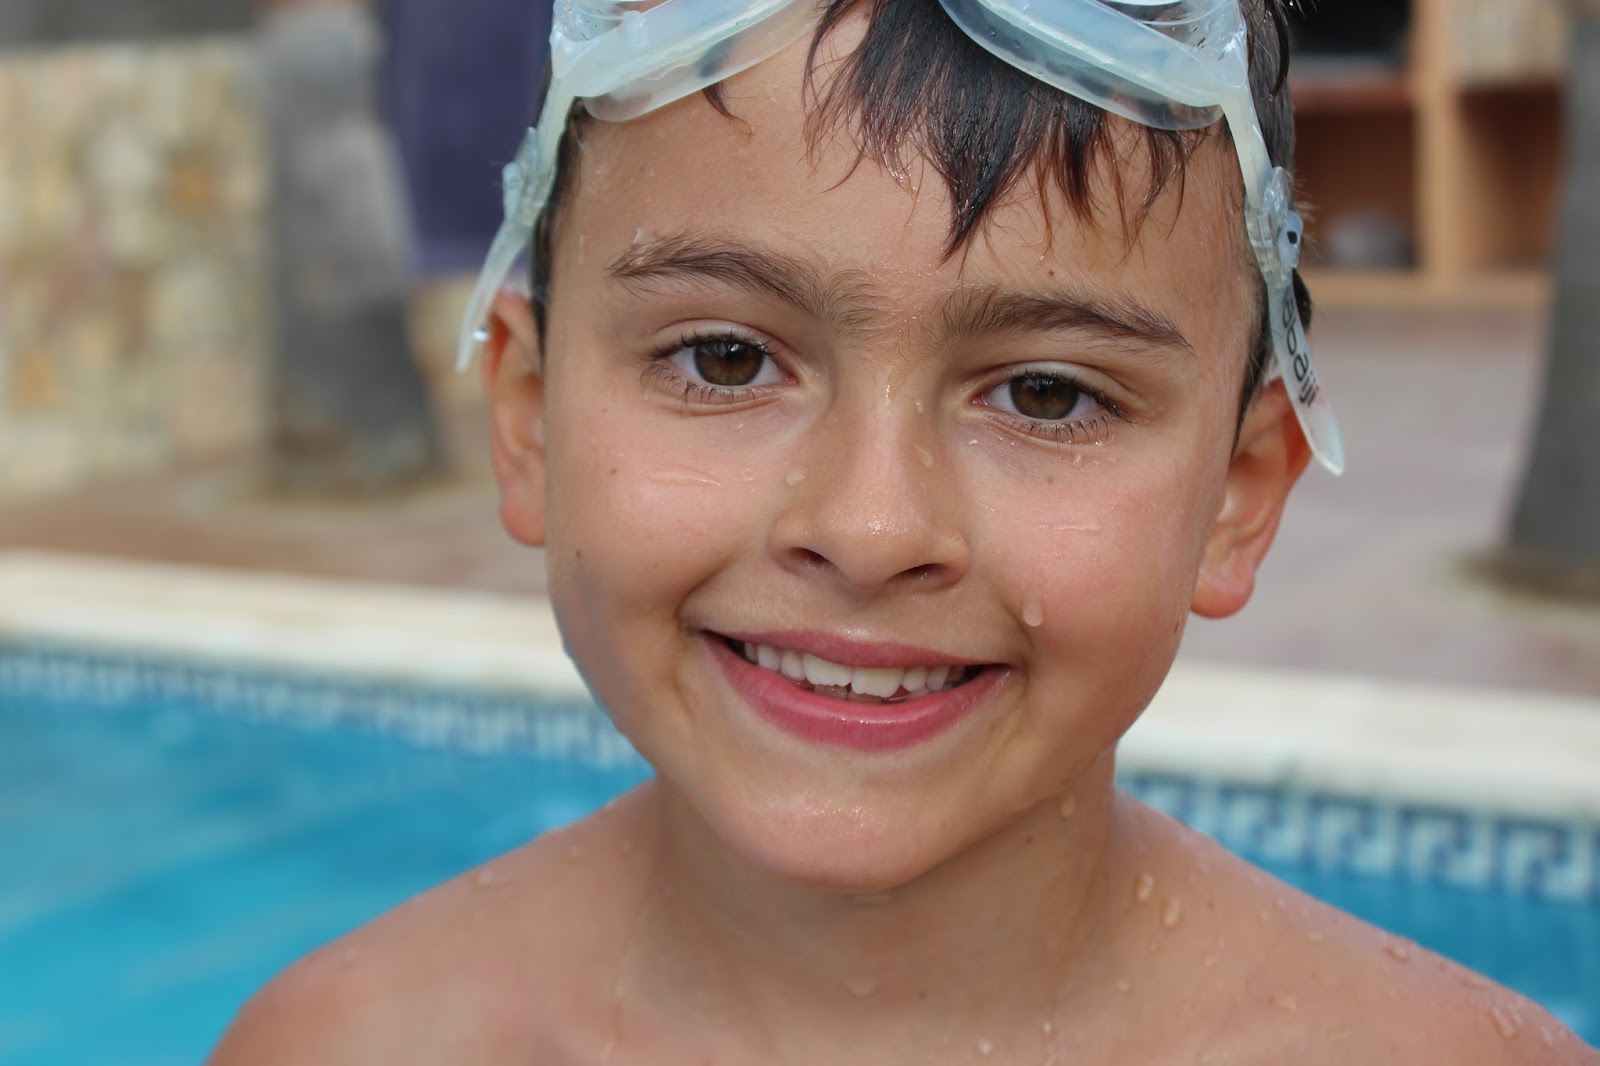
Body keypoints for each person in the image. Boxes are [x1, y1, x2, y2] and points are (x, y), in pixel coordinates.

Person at [209, 1, 1598, 1062]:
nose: (871, 528)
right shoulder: (351, 1044)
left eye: (1047, 394)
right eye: (725, 361)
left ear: (1238, 495)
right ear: (526, 420)